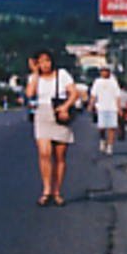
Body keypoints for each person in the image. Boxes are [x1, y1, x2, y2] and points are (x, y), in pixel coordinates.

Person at [25, 49, 77, 207]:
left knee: (60, 156)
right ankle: (46, 190)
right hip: (43, 113)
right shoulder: (35, 78)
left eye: (47, 61)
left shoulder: (62, 75)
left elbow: (74, 93)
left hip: (60, 113)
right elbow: (29, 93)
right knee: (44, 153)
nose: (45, 65)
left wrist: (65, 107)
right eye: (41, 62)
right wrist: (34, 73)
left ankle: (57, 192)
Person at [89, 67, 122, 156]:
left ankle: (110, 146)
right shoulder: (97, 82)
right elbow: (93, 95)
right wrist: (91, 105)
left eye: (106, 71)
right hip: (101, 107)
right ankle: (102, 140)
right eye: (103, 71)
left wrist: (119, 108)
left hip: (112, 108)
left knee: (111, 128)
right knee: (101, 127)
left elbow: (117, 96)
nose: (104, 73)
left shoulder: (113, 82)